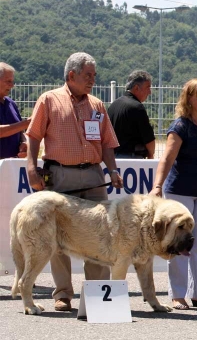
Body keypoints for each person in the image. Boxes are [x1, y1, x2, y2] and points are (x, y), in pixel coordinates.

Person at [26, 52, 124, 312]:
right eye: (88, 75)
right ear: (71, 75)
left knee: (101, 233)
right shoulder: (48, 100)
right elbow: (34, 136)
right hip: (60, 175)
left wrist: (113, 171)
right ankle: (63, 294)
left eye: (94, 75)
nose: (93, 80)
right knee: (58, 235)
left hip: (93, 176)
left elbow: (107, 144)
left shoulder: (97, 105)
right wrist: (30, 167)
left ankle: (97, 297)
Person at [149, 78, 197, 310]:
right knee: (180, 244)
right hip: (180, 191)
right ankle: (177, 294)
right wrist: (157, 186)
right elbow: (167, 158)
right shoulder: (180, 126)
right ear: (189, 98)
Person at [107, 70, 155, 159]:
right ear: (136, 88)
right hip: (132, 159)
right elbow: (149, 139)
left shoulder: (113, 105)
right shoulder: (137, 107)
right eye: (148, 87)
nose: (150, 92)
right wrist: (151, 154)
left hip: (113, 159)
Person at [0, 63, 30, 159]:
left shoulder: (11, 103)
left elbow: (20, 131)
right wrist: (27, 123)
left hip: (11, 167)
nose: (12, 85)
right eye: (8, 81)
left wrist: (24, 143)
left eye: (12, 81)